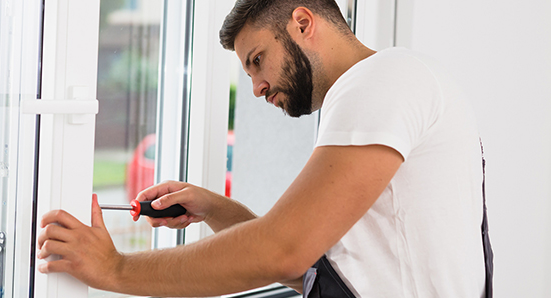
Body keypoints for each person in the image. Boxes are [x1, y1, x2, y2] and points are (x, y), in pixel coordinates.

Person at [36, 0, 491, 297]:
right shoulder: (391, 84)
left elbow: (284, 251)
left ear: (303, 22)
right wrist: (214, 207)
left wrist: (114, 269)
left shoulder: (380, 83)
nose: (255, 88)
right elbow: (314, 269)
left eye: (257, 61)